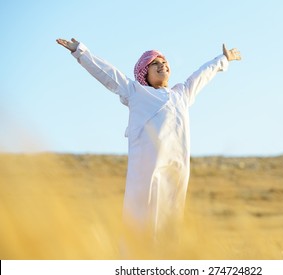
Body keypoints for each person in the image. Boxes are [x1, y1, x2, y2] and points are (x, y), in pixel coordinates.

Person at [56, 38, 241, 241]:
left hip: (175, 170)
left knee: (170, 224)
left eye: (164, 62)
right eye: (155, 63)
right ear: (145, 72)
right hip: (146, 172)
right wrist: (81, 52)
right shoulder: (135, 92)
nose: (162, 65)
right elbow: (108, 73)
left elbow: (203, 74)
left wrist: (224, 58)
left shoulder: (182, 94)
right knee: (140, 223)